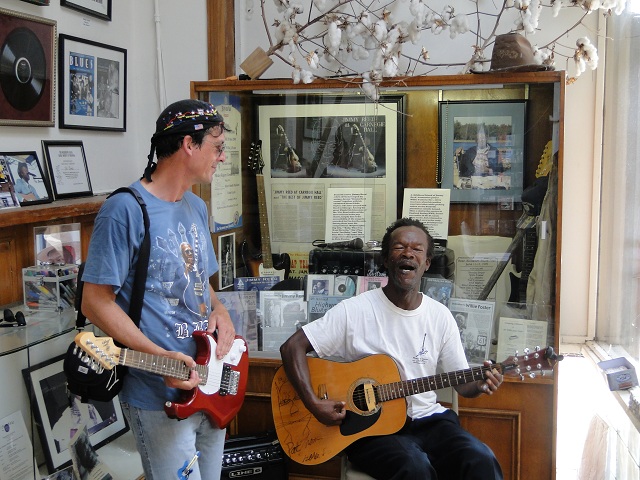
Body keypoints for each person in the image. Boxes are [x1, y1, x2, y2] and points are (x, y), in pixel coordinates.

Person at [81, 99, 236, 480]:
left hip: (210, 384)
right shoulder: (124, 210)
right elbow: (94, 303)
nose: (222, 157)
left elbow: (201, 285)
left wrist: (221, 311)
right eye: (217, 147)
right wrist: (159, 357)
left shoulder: (196, 207)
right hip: (156, 396)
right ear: (188, 145)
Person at [280, 217, 504, 479]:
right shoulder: (354, 310)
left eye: (417, 249)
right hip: (373, 430)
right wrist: (314, 403)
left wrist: (480, 384)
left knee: (481, 458)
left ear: (427, 263)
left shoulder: (440, 316)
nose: (408, 253)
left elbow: (463, 384)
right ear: (386, 260)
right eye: (399, 247)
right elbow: (292, 347)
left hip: (430, 421)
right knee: (415, 468)